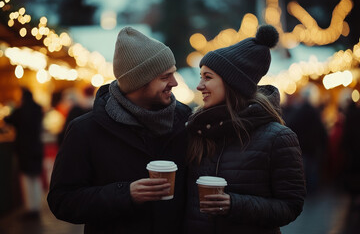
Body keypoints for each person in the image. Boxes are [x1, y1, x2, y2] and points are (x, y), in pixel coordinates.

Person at [47, 27, 191, 233]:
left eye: (173, 73)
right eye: (165, 77)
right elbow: (62, 201)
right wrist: (125, 194)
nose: (174, 83)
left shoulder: (184, 121)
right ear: (139, 81)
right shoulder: (85, 130)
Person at [185, 25, 306, 234]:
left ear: (233, 83)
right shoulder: (198, 130)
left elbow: (290, 206)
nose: (199, 86)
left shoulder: (278, 138)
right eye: (200, 76)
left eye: (208, 77)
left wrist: (234, 204)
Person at [4, 88, 44, 219]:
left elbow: (8, 120)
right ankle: (36, 206)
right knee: (35, 177)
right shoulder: (38, 109)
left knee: (26, 179)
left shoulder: (20, 111)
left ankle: (30, 208)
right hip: (37, 147)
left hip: (24, 149)